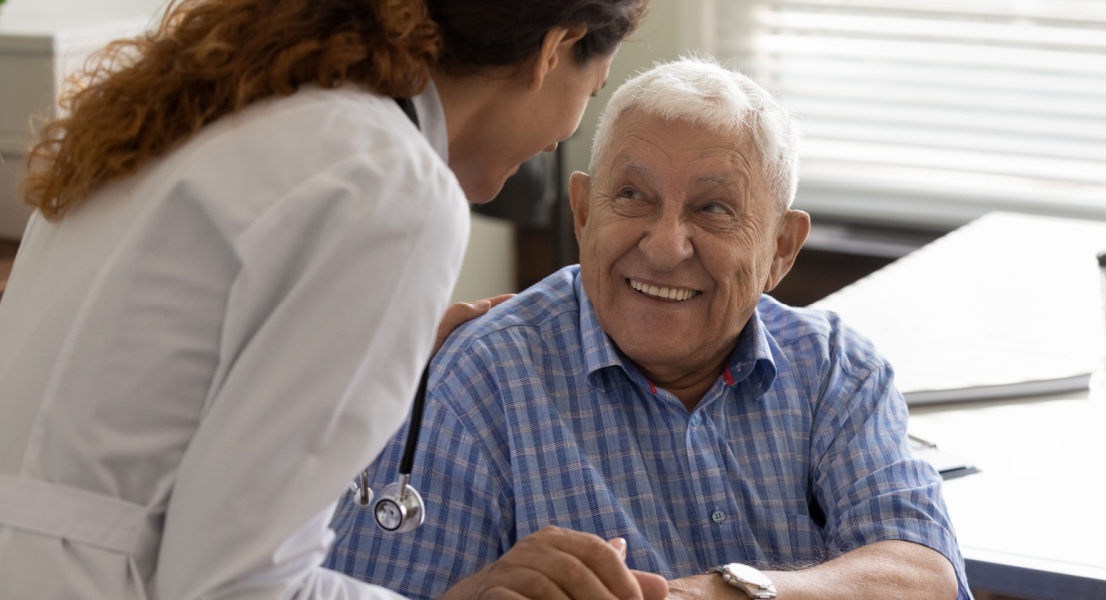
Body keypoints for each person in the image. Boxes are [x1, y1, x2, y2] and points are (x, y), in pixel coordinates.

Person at [0, 1, 660, 599]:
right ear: (553, 48)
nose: (562, 138)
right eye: (590, 95)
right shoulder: (395, 185)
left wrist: (383, 349)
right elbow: (239, 586)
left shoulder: (207, 113)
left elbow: (153, 393)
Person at [327, 56, 972, 600]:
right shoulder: (478, 378)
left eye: (713, 209)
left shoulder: (835, 369)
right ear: (582, 212)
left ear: (781, 249)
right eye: (632, 197)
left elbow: (926, 576)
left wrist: (714, 593)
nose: (665, 247)